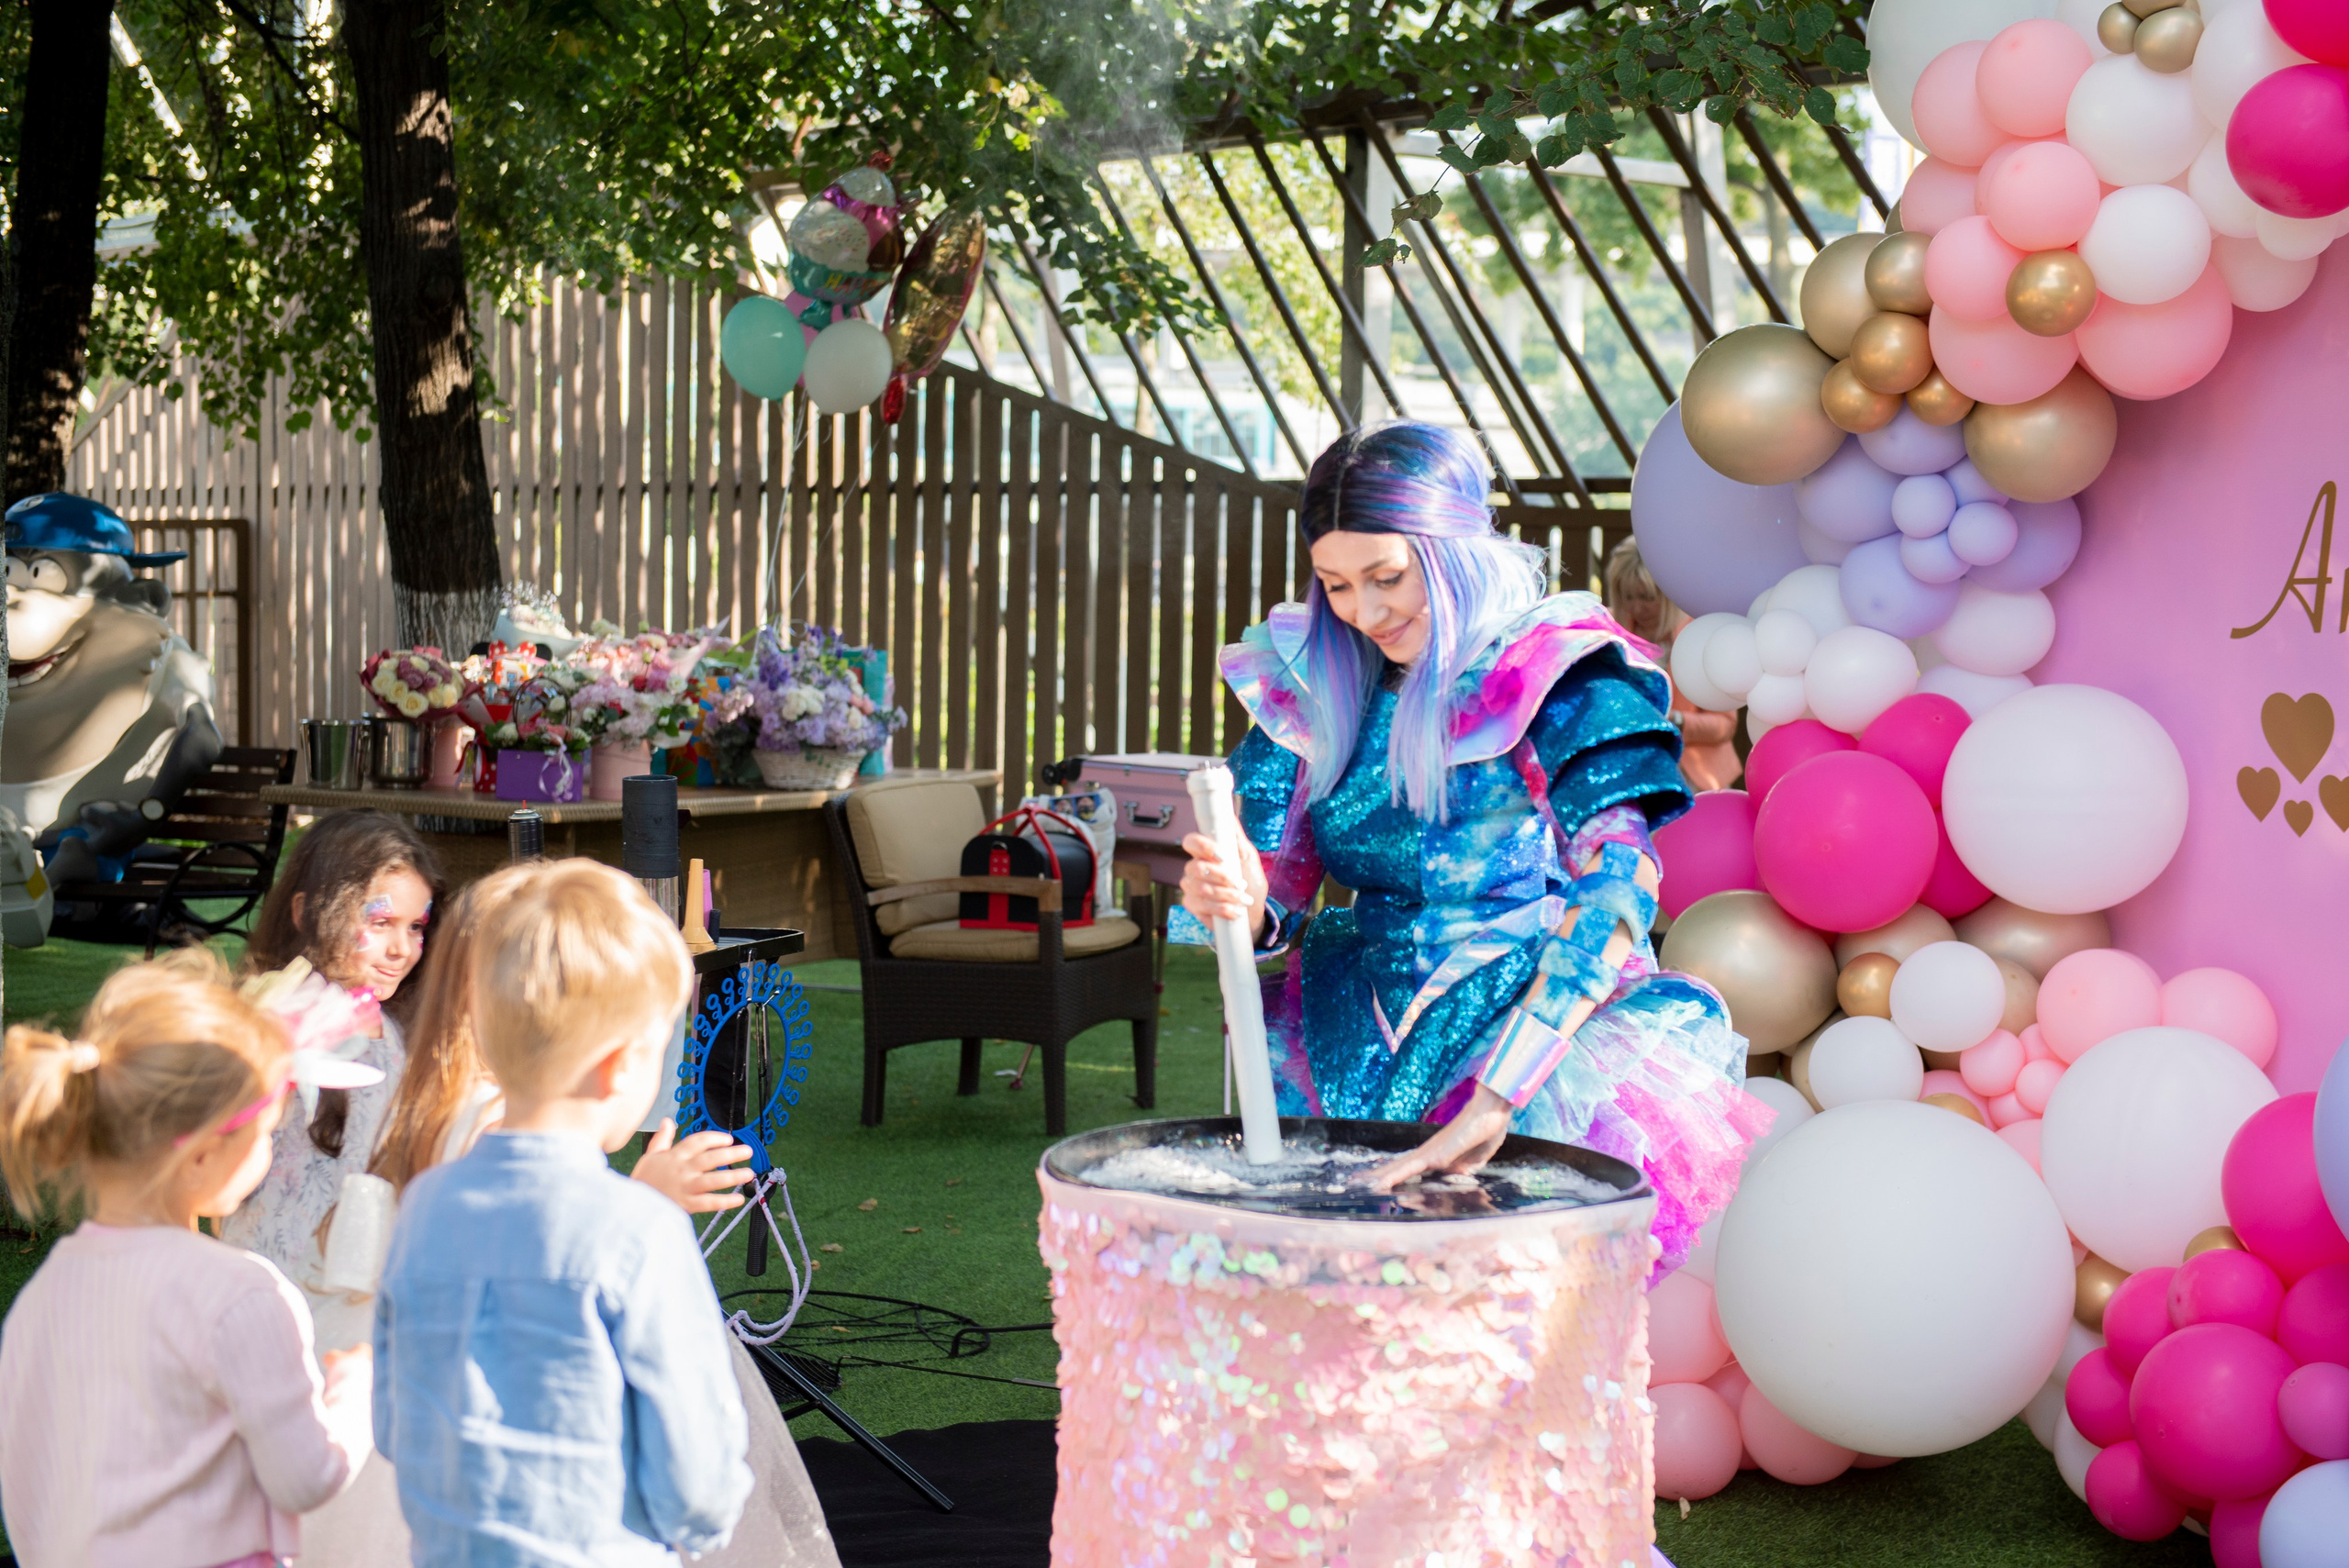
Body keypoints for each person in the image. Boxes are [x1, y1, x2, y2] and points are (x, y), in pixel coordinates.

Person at [1178, 423, 1763, 1263]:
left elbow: (1621, 880)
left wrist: (1499, 1100)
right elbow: (1274, 896)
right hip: (1352, 1035)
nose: (1365, 612)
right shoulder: (1313, 675)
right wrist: (1234, 897)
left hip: (1538, 1051)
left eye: (1387, 577)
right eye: (1337, 585)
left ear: (1456, 552)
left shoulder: (1555, 671)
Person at [374, 859, 753, 1565]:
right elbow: (696, 1469)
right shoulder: (639, 1230)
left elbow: (396, 1422)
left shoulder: (427, 1207)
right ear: (619, 1066)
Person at [0, 951, 373, 1563]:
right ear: (200, 1154)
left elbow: (27, 1486)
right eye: (264, 1134)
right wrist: (352, 1398)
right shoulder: (240, 1294)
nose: (269, 1152)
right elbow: (305, 1477)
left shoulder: (42, 1296)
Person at [222, 810, 441, 1351]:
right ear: (307, 912)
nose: (401, 950)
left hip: (358, 1274)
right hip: (270, 1277)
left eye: (415, 928)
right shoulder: (275, 1016)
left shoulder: (395, 1030)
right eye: (380, 922)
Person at [1603, 536, 1741, 793]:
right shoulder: (1610, 633)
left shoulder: (1699, 637)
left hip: (1693, 778)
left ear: (1668, 593)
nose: (1636, 607)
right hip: (1627, 769)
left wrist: (1674, 721)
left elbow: (1725, 726)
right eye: (1628, 596)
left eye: (1646, 597)